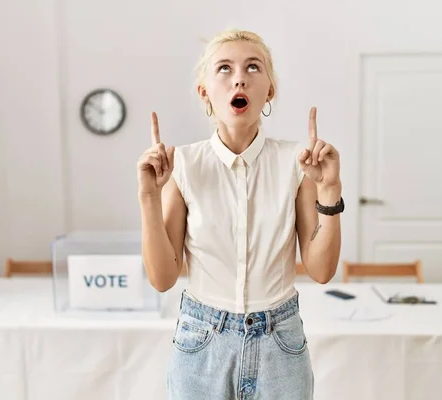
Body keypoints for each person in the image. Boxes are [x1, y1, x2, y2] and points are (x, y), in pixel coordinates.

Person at [137, 29, 342, 400]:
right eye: (224, 69)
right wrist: (149, 197)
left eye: (253, 67)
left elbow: (321, 270)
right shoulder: (181, 165)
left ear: (269, 91)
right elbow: (163, 278)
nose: (239, 77)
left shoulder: (298, 164)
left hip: (280, 342)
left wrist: (330, 191)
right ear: (205, 93)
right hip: (202, 343)